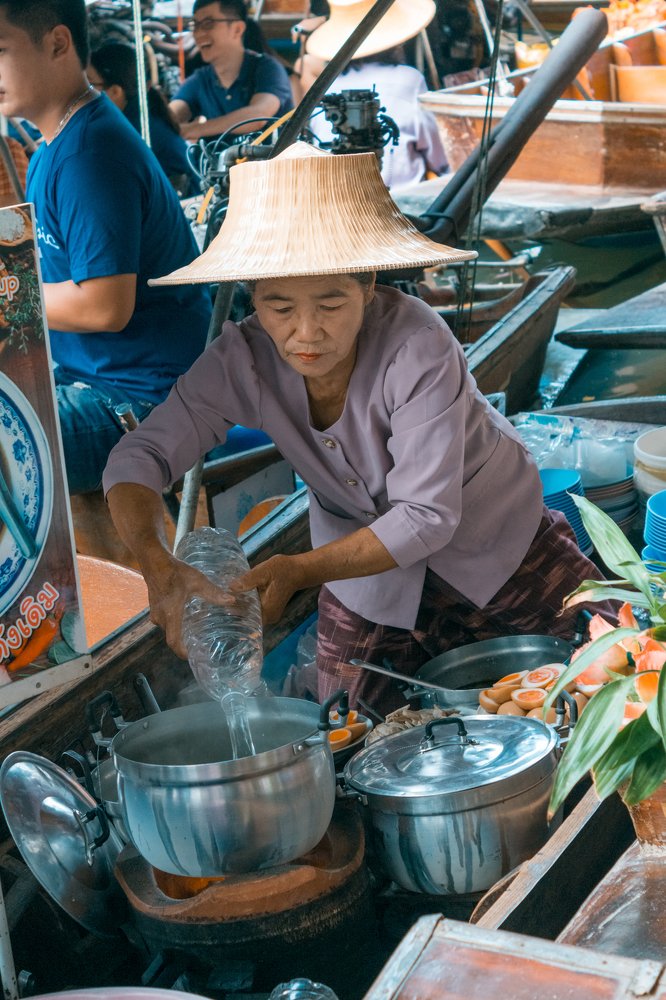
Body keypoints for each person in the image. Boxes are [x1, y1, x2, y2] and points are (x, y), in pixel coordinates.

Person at [103, 142, 610, 717]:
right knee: (348, 727)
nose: (306, 333)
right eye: (279, 306)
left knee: (610, 670)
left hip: (494, 541)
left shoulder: (417, 343)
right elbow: (137, 459)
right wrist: (156, 564)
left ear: (369, 285)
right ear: (253, 299)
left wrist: (296, 570)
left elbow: (425, 518)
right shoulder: (241, 357)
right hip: (362, 572)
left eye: (330, 302)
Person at [0, 0, 212, 507]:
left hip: (141, 403)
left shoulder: (90, 155)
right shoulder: (53, 147)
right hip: (87, 382)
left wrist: (8, 293)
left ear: (57, 43)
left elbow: (103, 307)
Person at [304, 0, 448, 189]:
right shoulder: (408, 79)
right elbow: (438, 155)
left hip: (335, 194)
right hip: (402, 202)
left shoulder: (329, 85)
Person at [169, 0, 293, 143]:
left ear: (237, 29)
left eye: (208, 24)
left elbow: (258, 115)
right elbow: (171, 117)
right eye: (195, 25)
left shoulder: (268, 69)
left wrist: (193, 129)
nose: (198, 33)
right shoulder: (200, 79)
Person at [88, 41, 200, 197]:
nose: (83, 93)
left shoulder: (130, 131)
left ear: (115, 92)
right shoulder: (139, 118)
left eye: (90, 85)